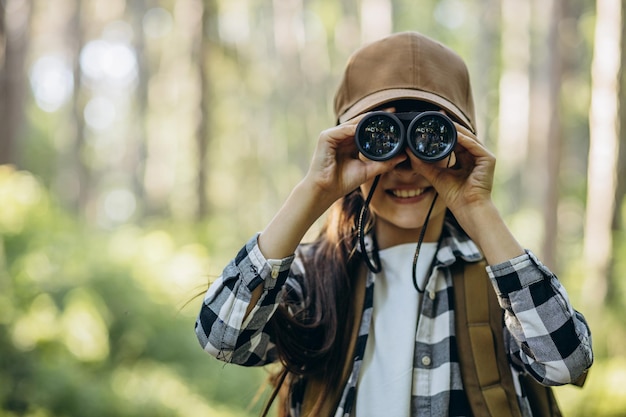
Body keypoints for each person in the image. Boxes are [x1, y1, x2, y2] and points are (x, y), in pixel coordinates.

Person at [194, 31, 593, 417]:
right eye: (381, 137)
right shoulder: (313, 275)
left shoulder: (498, 278)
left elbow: (565, 361)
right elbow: (222, 338)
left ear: (463, 147)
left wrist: (477, 206)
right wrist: (314, 191)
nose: (406, 167)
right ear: (347, 143)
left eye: (431, 139)